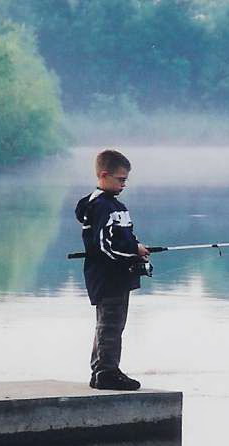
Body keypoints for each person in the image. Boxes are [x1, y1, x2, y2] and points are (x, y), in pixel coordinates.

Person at [74, 149, 152, 391]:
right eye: (120, 179)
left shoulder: (116, 206)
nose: (124, 184)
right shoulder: (101, 207)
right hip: (107, 277)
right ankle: (107, 373)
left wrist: (136, 247)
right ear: (104, 175)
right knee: (110, 325)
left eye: (125, 180)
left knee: (111, 324)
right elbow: (104, 245)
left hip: (119, 276)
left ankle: (100, 371)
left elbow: (124, 235)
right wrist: (133, 250)